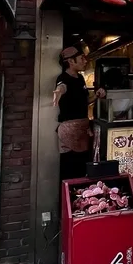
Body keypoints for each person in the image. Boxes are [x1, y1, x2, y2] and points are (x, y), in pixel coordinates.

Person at [54, 45, 105, 181]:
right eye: (81, 58)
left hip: (82, 129)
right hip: (70, 130)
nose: (85, 61)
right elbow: (62, 86)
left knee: (82, 168)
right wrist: (59, 91)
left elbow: (86, 101)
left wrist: (97, 95)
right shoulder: (63, 78)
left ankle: (82, 198)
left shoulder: (80, 78)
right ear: (71, 61)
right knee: (70, 167)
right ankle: (68, 199)